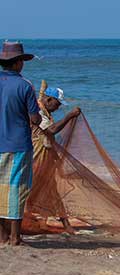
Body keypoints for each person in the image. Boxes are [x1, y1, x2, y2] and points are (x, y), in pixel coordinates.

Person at [0, 42, 41, 246]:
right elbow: (35, 119)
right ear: (17, 63)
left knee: (0, 188)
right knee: (17, 188)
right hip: (17, 144)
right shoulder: (25, 85)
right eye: (22, 61)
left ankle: (2, 236)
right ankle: (15, 237)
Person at [28, 82, 82, 233]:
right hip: (35, 157)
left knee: (51, 189)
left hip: (44, 158)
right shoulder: (38, 112)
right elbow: (51, 130)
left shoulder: (45, 112)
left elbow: (48, 139)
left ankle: (63, 224)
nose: (57, 108)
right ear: (49, 99)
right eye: (57, 104)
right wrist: (69, 116)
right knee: (30, 189)